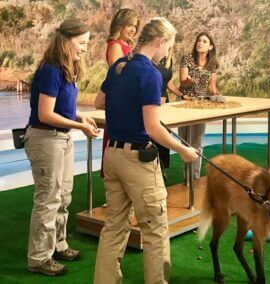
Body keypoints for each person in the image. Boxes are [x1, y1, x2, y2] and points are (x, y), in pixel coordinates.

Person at [93, 17, 198, 284]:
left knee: (114, 228)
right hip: (137, 160)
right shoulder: (150, 73)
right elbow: (153, 128)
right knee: (154, 230)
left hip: (112, 154)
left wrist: (128, 106)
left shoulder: (119, 66)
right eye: (168, 47)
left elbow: (100, 101)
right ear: (160, 41)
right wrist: (183, 149)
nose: (167, 53)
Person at [24, 19, 99, 276]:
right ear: (66, 41)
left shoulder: (67, 69)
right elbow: (45, 114)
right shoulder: (50, 70)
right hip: (46, 139)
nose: (85, 49)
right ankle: (39, 258)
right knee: (48, 198)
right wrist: (81, 127)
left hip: (62, 138)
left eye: (86, 43)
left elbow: (61, 106)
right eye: (81, 43)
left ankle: (58, 245)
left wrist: (79, 117)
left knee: (63, 195)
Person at [96, 8, 140, 178]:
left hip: (130, 101)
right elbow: (118, 75)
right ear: (120, 25)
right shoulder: (115, 45)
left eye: (135, 26)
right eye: (129, 25)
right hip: (120, 101)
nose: (133, 29)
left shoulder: (130, 46)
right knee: (116, 143)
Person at [178, 32, 221, 178]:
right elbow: (182, 81)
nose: (200, 43)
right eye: (198, 41)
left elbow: (212, 86)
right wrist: (189, 81)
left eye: (204, 41)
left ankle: (194, 176)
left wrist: (218, 96)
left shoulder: (212, 63)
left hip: (200, 105)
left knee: (197, 141)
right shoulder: (187, 58)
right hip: (185, 103)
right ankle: (186, 176)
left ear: (210, 46)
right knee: (185, 141)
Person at [153, 51, 186, 180]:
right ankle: (153, 168)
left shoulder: (168, 59)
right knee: (153, 134)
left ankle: (161, 169)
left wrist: (181, 95)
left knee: (164, 133)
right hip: (151, 100)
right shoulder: (150, 57)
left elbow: (168, 83)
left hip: (164, 101)